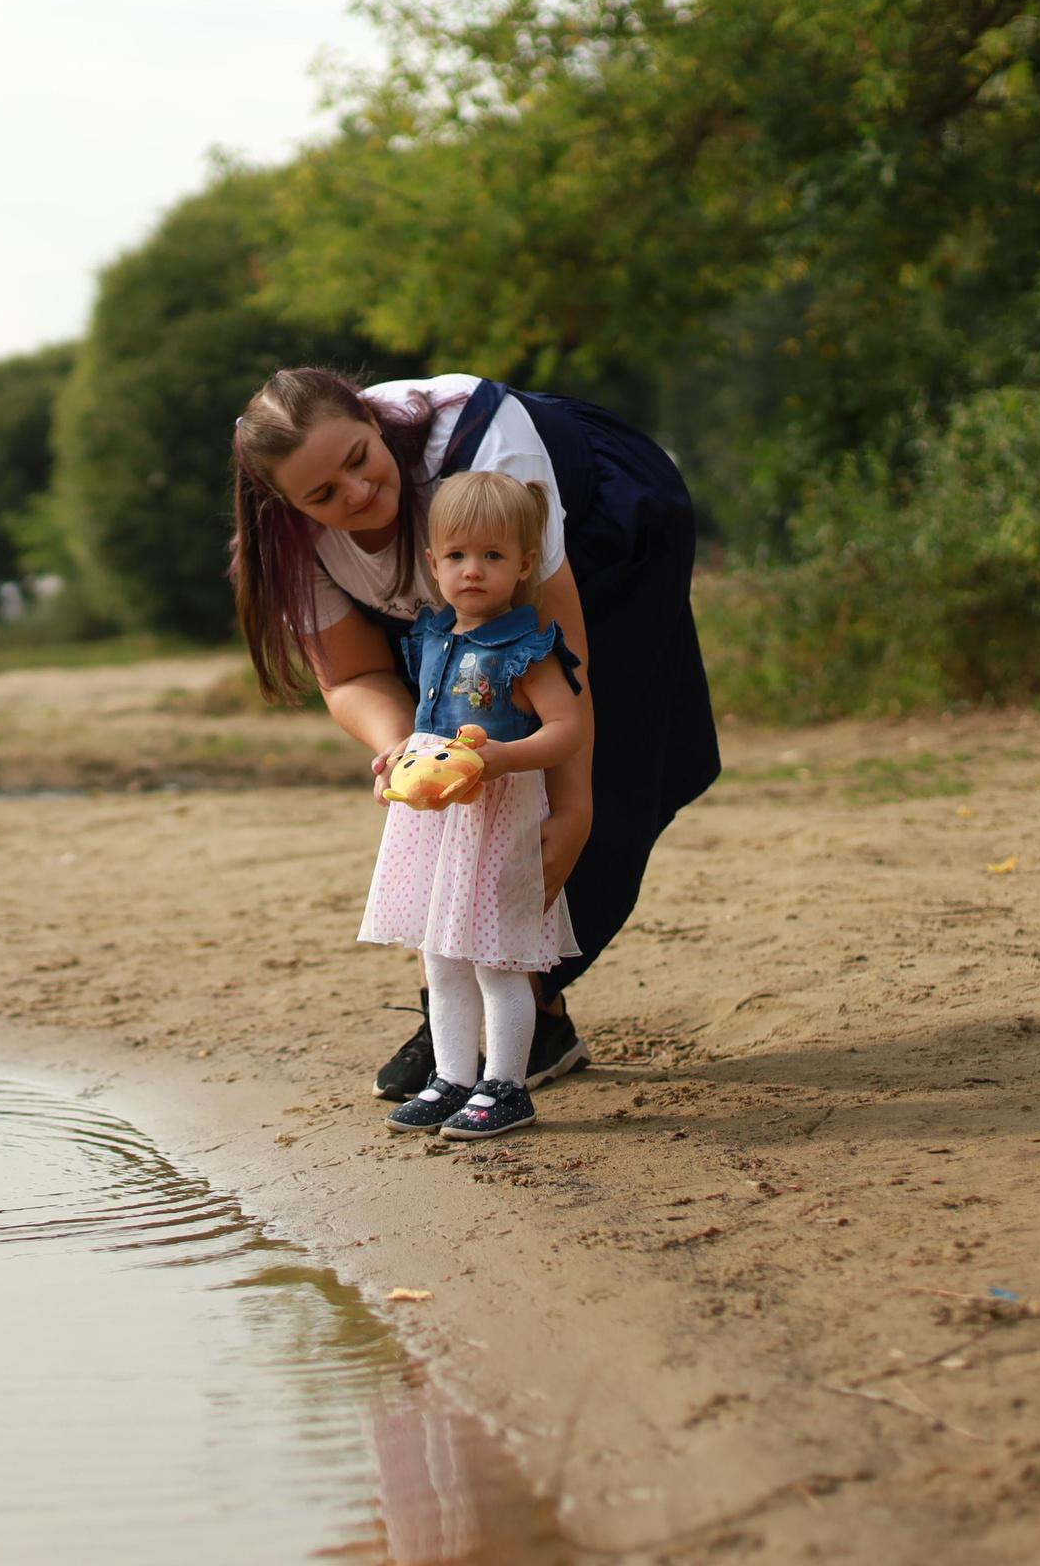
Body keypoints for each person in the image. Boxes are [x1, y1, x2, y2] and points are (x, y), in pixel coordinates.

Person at [229, 369, 722, 1099]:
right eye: (323, 496)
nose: (357, 495)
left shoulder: (483, 445)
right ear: (286, 505)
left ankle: (535, 1010)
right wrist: (410, 750)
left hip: (603, 533)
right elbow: (353, 676)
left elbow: (565, 650)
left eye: (360, 460)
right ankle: (467, 1026)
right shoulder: (287, 547)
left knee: (602, 773)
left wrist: (575, 806)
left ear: (373, 419)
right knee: (465, 813)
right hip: (462, 587)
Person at [361, 472, 585, 1139]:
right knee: (442, 956)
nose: (473, 571)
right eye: (457, 556)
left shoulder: (526, 648)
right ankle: (452, 1077)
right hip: (437, 827)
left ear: (523, 565)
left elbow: (566, 731)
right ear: (434, 565)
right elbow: (423, 729)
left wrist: (504, 758)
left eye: (492, 556)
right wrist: (396, 761)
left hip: (498, 819)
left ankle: (505, 1085)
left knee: (497, 959)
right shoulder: (432, 638)